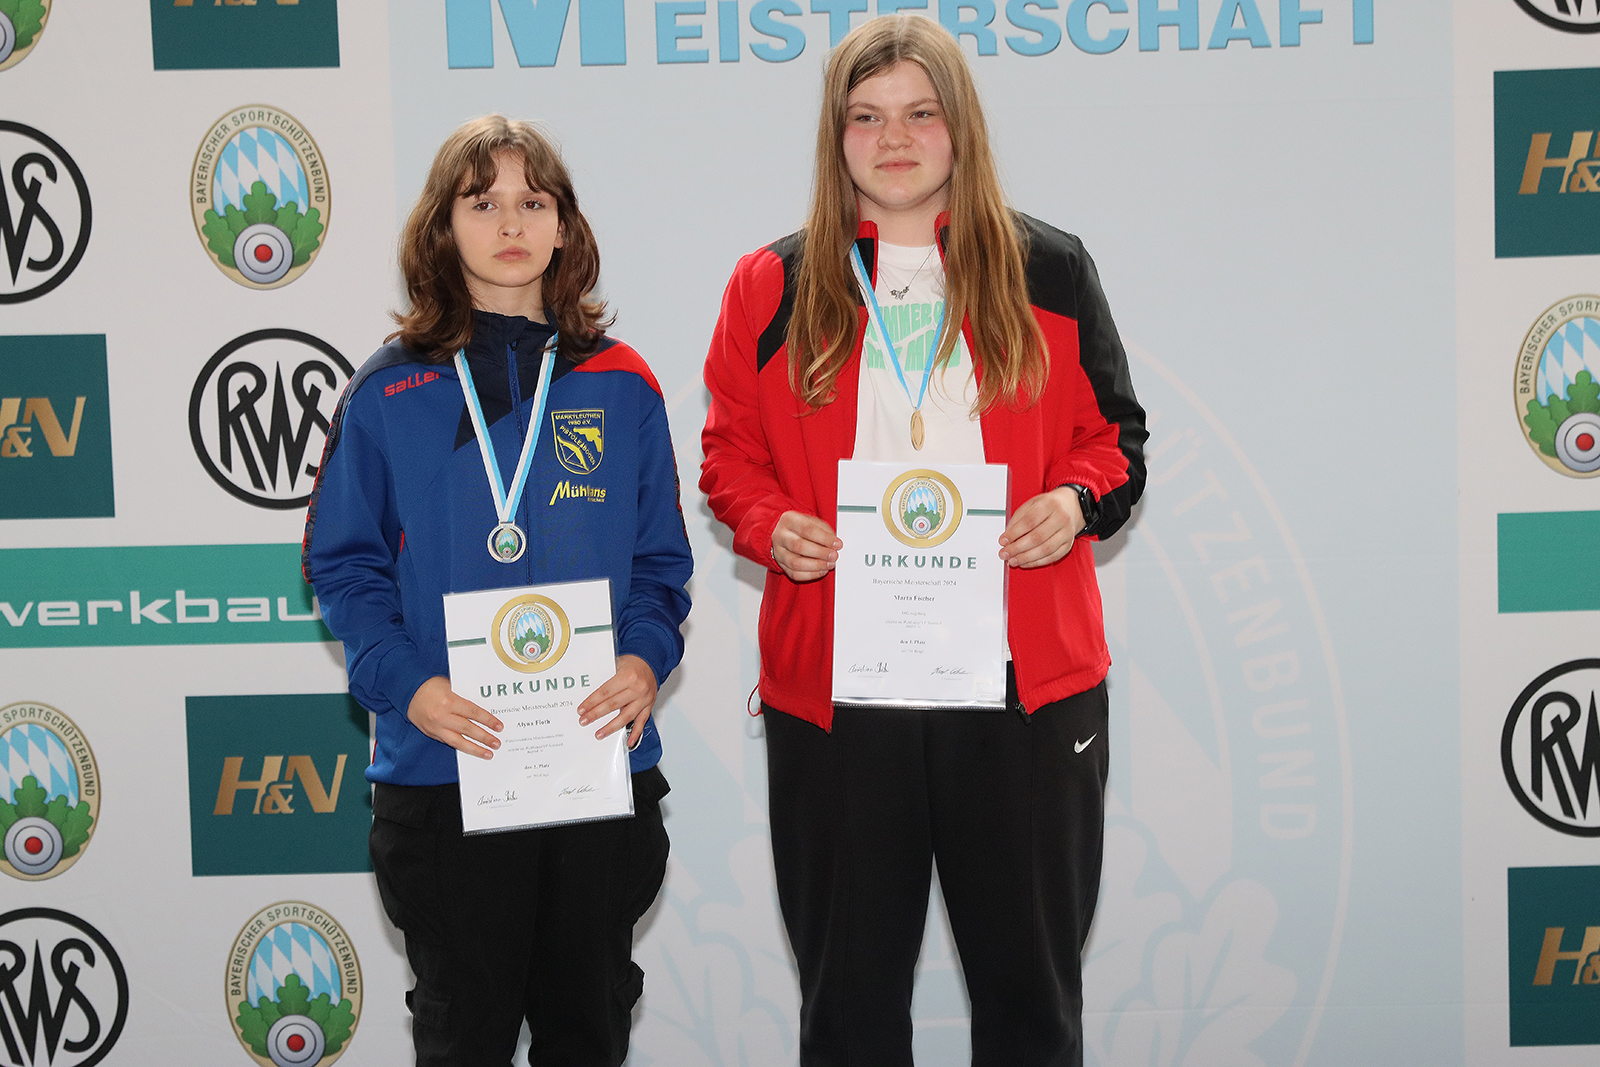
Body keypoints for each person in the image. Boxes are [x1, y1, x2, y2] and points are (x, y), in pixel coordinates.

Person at [699, 15, 1146, 1067]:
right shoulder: (770, 283)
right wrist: (770, 524)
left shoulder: (1048, 267)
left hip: (1022, 691)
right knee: (848, 1013)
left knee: (1031, 1008)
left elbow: (1116, 442)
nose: (892, 139)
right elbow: (728, 456)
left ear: (961, 127)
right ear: (835, 135)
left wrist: (1072, 502)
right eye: (864, 117)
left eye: (918, 113)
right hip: (844, 694)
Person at [302, 115, 692, 1066]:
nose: (510, 223)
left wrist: (645, 661)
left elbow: (660, 566)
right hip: (447, 769)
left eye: (532, 201)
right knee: (463, 1036)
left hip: (594, 767)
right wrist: (408, 686)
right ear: (443, 228)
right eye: (482, 203)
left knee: (587, 1031)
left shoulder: (623, 383)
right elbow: (341, 565)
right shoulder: (387, 389)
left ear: (564, 225)